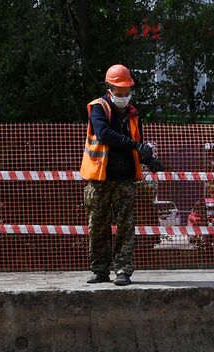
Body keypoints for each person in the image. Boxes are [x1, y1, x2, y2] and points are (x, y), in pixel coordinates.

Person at [79, 64, 161, 286]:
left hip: (124, 180)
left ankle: (123, 270)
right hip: (99, 180)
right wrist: (136, 145)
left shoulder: (133, 114)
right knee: (98, 226)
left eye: (126, 91)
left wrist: (148, 159)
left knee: (126, 226)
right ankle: (100, 270)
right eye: (119, 91)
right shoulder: (98, 108)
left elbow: (136, 146)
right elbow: (104, 135)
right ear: (109, 87)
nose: (123, 96)